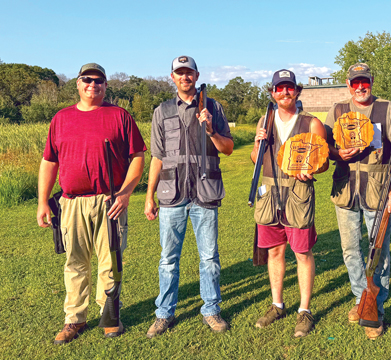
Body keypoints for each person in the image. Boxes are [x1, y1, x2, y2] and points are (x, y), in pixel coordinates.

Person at [37, 63, 146, 344]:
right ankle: (74, 319)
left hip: (109, 201)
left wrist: (125, 193)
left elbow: (137, 157)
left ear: (106, 85)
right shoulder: (61, 119)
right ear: (77, 83)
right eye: (87, 79)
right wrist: (42, 202)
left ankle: (110, 316)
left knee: (111, 262)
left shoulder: (120, 116)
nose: (93, 85)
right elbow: (49, 162)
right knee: (75, 263)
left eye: (99, 81)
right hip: (71, 202)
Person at [144, 56, 234, 337]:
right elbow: (157, 158)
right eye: (179, 73)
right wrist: (149, 196)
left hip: (204, 195)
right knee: (168, 259)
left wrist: (211, 130)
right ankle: (164, 314)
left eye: (189, 73)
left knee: (209, 258)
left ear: (196, 75)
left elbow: (228, 148)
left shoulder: (213, 107)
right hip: (171, 196)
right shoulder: (162, 111)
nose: (185, 77)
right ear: (173, 77)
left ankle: (211, 310)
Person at [324, 63, 391, 340]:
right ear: (348, 84)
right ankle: (361, 298)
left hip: (379, 189)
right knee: (350, 250)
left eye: (365, 82)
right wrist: (338, 154)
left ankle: (377, 307)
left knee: (379, 252)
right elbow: (323, 147)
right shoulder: (337, 110)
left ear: (372, 82)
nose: (361, 87)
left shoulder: (387, 108)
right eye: (355, 82)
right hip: (346, 189)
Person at [251, 69, 328, 338]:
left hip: (298, 194)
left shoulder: (312, 123)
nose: (284, 92)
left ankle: (304, 310)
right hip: (269, 193)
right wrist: (258, 143)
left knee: (302, 253)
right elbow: (254, 158)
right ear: (272, 92)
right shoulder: (265, 119)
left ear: (298, 91)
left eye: (289, 88)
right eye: (279, 88)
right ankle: (277, 305)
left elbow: (324, 161)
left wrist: (313, 170)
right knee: (274, 252)